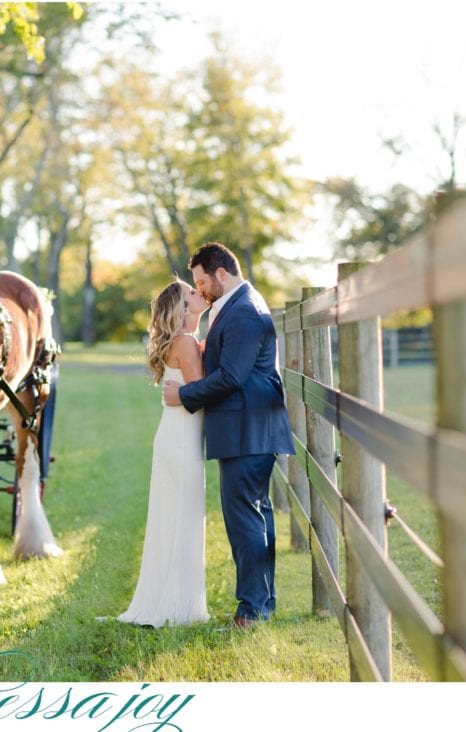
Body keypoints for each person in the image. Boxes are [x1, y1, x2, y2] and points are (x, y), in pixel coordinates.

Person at [162, 242, 294, 629]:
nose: (199, 289)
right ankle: (261, 604)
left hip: (247, 430)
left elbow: (232, 377)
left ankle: (251, 611)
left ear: (221, 273)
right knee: (256, 519)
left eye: (201, 281)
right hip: (249, 429)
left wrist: (183, 394)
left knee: (245, 523)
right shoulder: (238, 306)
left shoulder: (245, 312)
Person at [118, 278, 210, 627]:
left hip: (175, 432)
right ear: (183, 309)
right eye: (191, 292)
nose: (198, 293)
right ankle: (177, 607)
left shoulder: (185, 341)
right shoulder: (185, 343)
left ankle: (172, 600)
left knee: (174, 516)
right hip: (182, 436)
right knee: (182, 517)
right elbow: (202, 391)